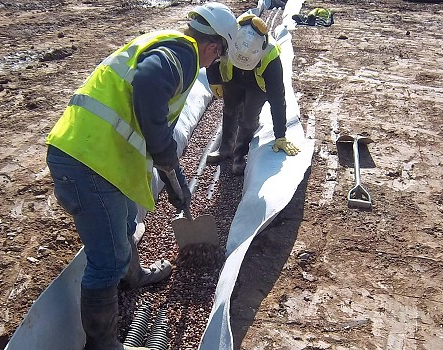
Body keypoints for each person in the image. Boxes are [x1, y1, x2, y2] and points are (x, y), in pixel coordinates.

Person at [44, 3, 237, 350]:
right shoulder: (184, 53)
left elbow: (155, 127)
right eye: (218, 57)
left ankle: (133, 275)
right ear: (214, 47)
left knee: (128, 221)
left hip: (100, 155)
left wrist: (175, 176)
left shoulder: (171, 45)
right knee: (107, 259)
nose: (213, 64)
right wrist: (163, 150)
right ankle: (103, 343)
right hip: (87, 161)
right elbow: (148, 84)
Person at [206, 13, 300, 175]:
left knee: (248, 118)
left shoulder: (271, 57)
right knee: (229, 110)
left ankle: (240, 156)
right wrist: (214, 79)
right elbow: (212, 54)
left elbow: (278, 100)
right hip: (232, 77)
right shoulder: (229, 37)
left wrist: (280, 135)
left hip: (257, 84)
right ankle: (226, 148)